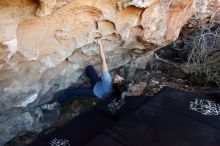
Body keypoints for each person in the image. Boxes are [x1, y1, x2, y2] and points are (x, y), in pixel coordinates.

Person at [41, 39, 128, 110]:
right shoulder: (117, 89)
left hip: (94, 92)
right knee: (89, 68)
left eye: (120, 79)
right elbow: (120, 89)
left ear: (116, 81)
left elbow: (103, 60)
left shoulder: (107, 80)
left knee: (69, 93)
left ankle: (54, 105)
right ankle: (89, 80)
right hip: (98, 84)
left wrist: (100, 44)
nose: (119, 76)